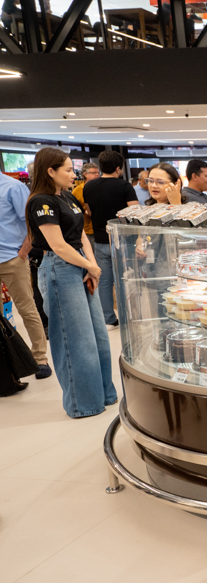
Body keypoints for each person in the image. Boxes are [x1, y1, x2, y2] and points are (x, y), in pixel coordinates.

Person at [26, 148, 117, 418]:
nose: (72, 174)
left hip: (79, 264)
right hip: (59, 269)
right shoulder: (41, 201)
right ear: (50, 171)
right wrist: (89, 265)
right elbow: (57, 245)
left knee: (97, 336)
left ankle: (104, 394)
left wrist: (92, 266)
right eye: (67, 169)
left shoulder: (66, 196)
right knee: (74, 339)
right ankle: (83, 403)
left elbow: (80, 236)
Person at [0, 171, 51, 380]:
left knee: (27, 309)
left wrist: (23, 253)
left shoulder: (13, 187)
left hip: (12, 258)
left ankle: (40, 358)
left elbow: (32, 224)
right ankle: (6, 364)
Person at [83, 151, 138, 327]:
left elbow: (89, 211)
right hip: (123, 240)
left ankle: (108, 319)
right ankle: (126, 316)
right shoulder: (124, 186)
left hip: (99, 239)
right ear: (118, 168)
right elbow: (134, 213)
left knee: (104, 281)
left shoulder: (89, 186)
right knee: (124, 280)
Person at [73, 162, 100, 245]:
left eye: (98, 172)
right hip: (88, 229)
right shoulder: (77, 191)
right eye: (93, 173)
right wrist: (85, 211)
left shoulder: (101, 187)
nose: (97, 175)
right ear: (85, 174)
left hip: (102, 227)